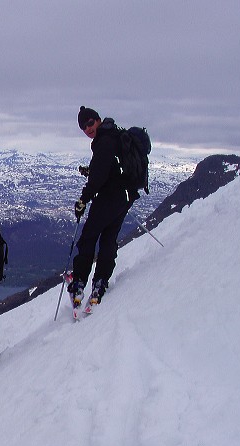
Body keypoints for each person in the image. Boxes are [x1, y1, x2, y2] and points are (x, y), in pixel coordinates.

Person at [68, 106, 141, 306]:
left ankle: (79, 282)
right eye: (84, 127)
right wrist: (92, 172)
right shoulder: (114, 135)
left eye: (90, 123)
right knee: (109, 239)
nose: (88, 128)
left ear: (98, 120)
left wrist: (83, 200)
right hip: (125, 197)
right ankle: (100, 282)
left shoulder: (104, 142)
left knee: (88, 238)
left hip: (109, 198)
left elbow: (99, 177)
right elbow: (110, 168)